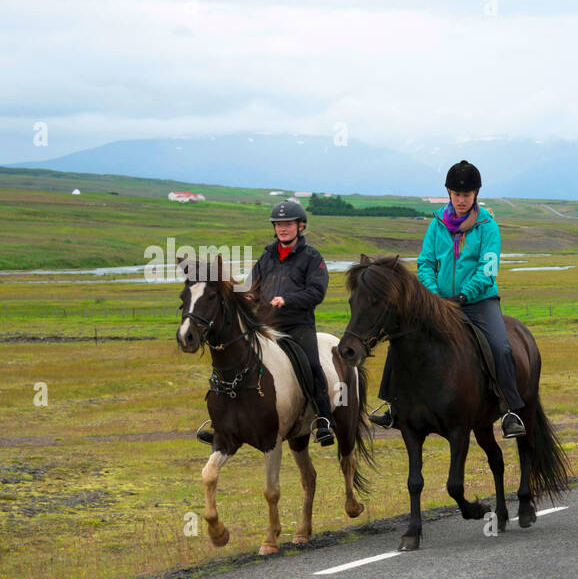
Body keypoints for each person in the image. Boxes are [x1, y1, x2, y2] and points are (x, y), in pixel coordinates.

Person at [369, 160, 525, 438]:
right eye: (456, 194)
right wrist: (433, 296)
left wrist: (465, 295)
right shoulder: (437, 224)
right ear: (449, 194)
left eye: (466, 195)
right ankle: (392, 403)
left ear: (475, 194)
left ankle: (510, 409)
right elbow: (425, 262)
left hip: (478, 302)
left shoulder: (487, 226)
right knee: (400, 337)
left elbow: (488, 268)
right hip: (438, 302)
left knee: (500, 346)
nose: (461, 200)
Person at [198, 199, 336, 446]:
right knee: (232, 360)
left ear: (300, 226)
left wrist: (288, 299)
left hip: (297, 325)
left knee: (312, 365)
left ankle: (323, 420)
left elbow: (317, 291)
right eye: (278, 224)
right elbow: (252, 285)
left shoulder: (312, 257)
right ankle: (223, 423)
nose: (283, 228)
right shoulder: (267, 256)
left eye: (288, 224)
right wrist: (246, 295)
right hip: (265, 325)